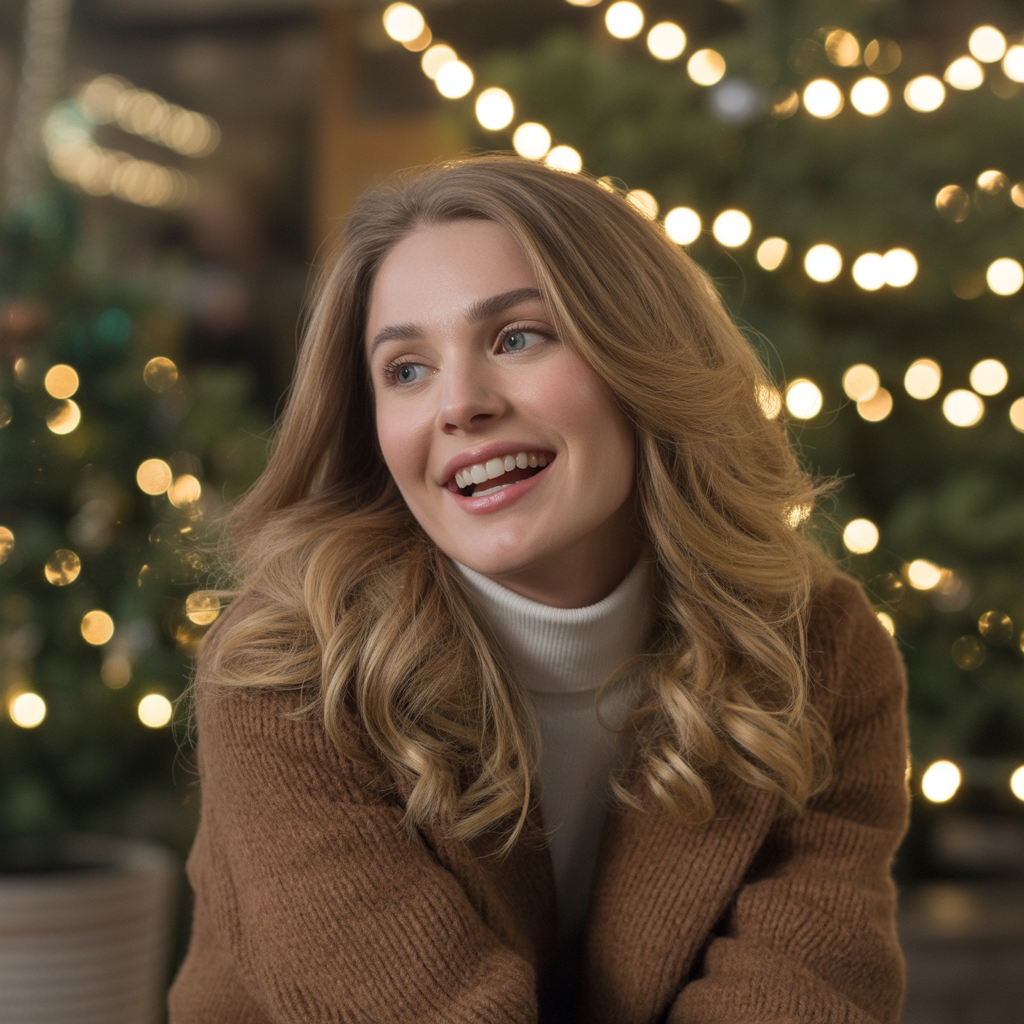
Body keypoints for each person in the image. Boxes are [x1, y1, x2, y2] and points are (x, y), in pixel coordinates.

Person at [168, 155, 909, 1024]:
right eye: (406, 370)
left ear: (642, 356)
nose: (461, 405)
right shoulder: (288, 675)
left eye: (517, 337)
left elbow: (802, 994)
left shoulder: (818, 649)